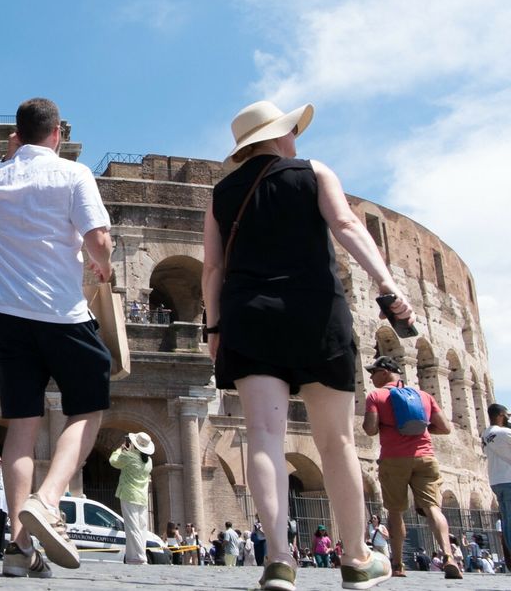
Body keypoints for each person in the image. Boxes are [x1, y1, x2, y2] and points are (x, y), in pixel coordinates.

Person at [202, 100, 409, 590]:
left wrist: (214, 331)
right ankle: (357, 559)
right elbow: (345, 226)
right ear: (280, 136)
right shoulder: (313, 171)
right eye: (292, 130)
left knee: (263, 437)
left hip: (250, 315)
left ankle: (277, 559)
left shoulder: (221, 194)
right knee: (335, 441)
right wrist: (386, 284)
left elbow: (212, 269)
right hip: (316, 310)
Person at [0, 97, 114, 579]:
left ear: (18, 134)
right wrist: (103, 266)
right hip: (62, 313)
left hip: (7, 317)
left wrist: (9, 158)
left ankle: (18, 547)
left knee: (22, 427)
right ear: (57, 135)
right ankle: (48, 500)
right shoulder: (74, 176)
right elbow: (98, 240)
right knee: (88, 408)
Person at [363, 355, 463, 579]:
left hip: (394, 459)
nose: (371, 377)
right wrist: (422, 430)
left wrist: (385, 424)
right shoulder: (424, 396)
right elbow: (445, 428)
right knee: (433, 508)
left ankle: (398, 565)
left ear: (386, 372)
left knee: (396, 512)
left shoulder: (376, 395)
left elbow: (369, 429)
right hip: (425, 457)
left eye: (374, 372)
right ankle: (448, 555)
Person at [110, 433, 154, 564]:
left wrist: (120, 450)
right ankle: (132, 557)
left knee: (132, 527)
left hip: (129, 495)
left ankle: (140, 556)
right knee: (142, 527)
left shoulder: (129, 456)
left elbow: (113, 462)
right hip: (143, 497)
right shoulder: (149, 461)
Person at [483, 403, 511, 560]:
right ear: (501, 415)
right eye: (506, 415)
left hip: (496, 481)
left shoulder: (486, 434)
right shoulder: (505, 433)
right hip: (509, 479)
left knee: (507, 520)